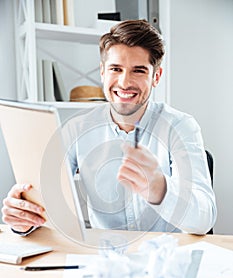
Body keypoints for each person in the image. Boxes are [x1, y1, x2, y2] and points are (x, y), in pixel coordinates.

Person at [1, 19, 216, 235]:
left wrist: (161, 189)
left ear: (156, 77)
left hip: (165, 258)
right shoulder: (77, 128)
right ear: (103, 72)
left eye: (138, 71)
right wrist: (23, 219)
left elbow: (204, 219)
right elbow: (46, 198)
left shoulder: (180, 126)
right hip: (103, 257)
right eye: (116, 69)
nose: (124, 82)